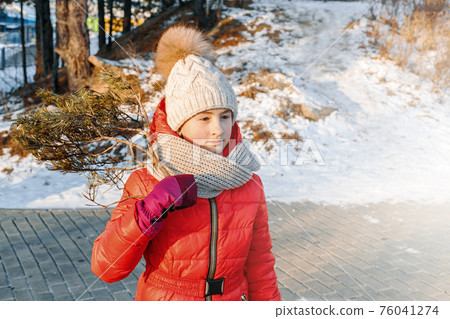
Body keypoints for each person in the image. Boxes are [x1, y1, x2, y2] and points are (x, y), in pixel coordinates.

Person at [91, 24, 281, 301]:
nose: (218, 129)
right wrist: (146, 214)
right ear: (180, 125)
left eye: (225, 116)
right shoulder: (148, 181)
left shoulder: (249, 183)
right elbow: (106, 268)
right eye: (204, 118)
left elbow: (260, 266)